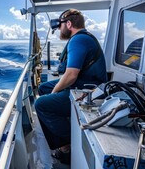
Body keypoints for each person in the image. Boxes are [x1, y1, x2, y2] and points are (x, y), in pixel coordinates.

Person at [35, 9, 107, 164]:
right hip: (82, 84)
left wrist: (55, 93)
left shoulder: (78, 40)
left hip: (89, 91)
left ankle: (67, 146)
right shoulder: (83, 38)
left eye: (60, 26)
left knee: (41, 104)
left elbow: (71, 75)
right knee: (43, 88)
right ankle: (61, 125)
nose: (59, 29)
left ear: (68, 24)